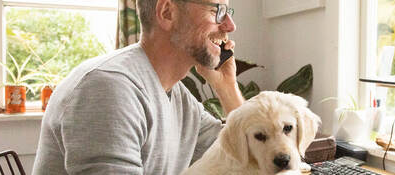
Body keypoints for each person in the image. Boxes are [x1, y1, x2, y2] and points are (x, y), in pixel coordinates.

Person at [32, 0, 243, 174]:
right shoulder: (108, 88)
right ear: (167, 12)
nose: (230, 26)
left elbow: (244, 155)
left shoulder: (179, 97)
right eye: (217, 11)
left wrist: (227, 87)